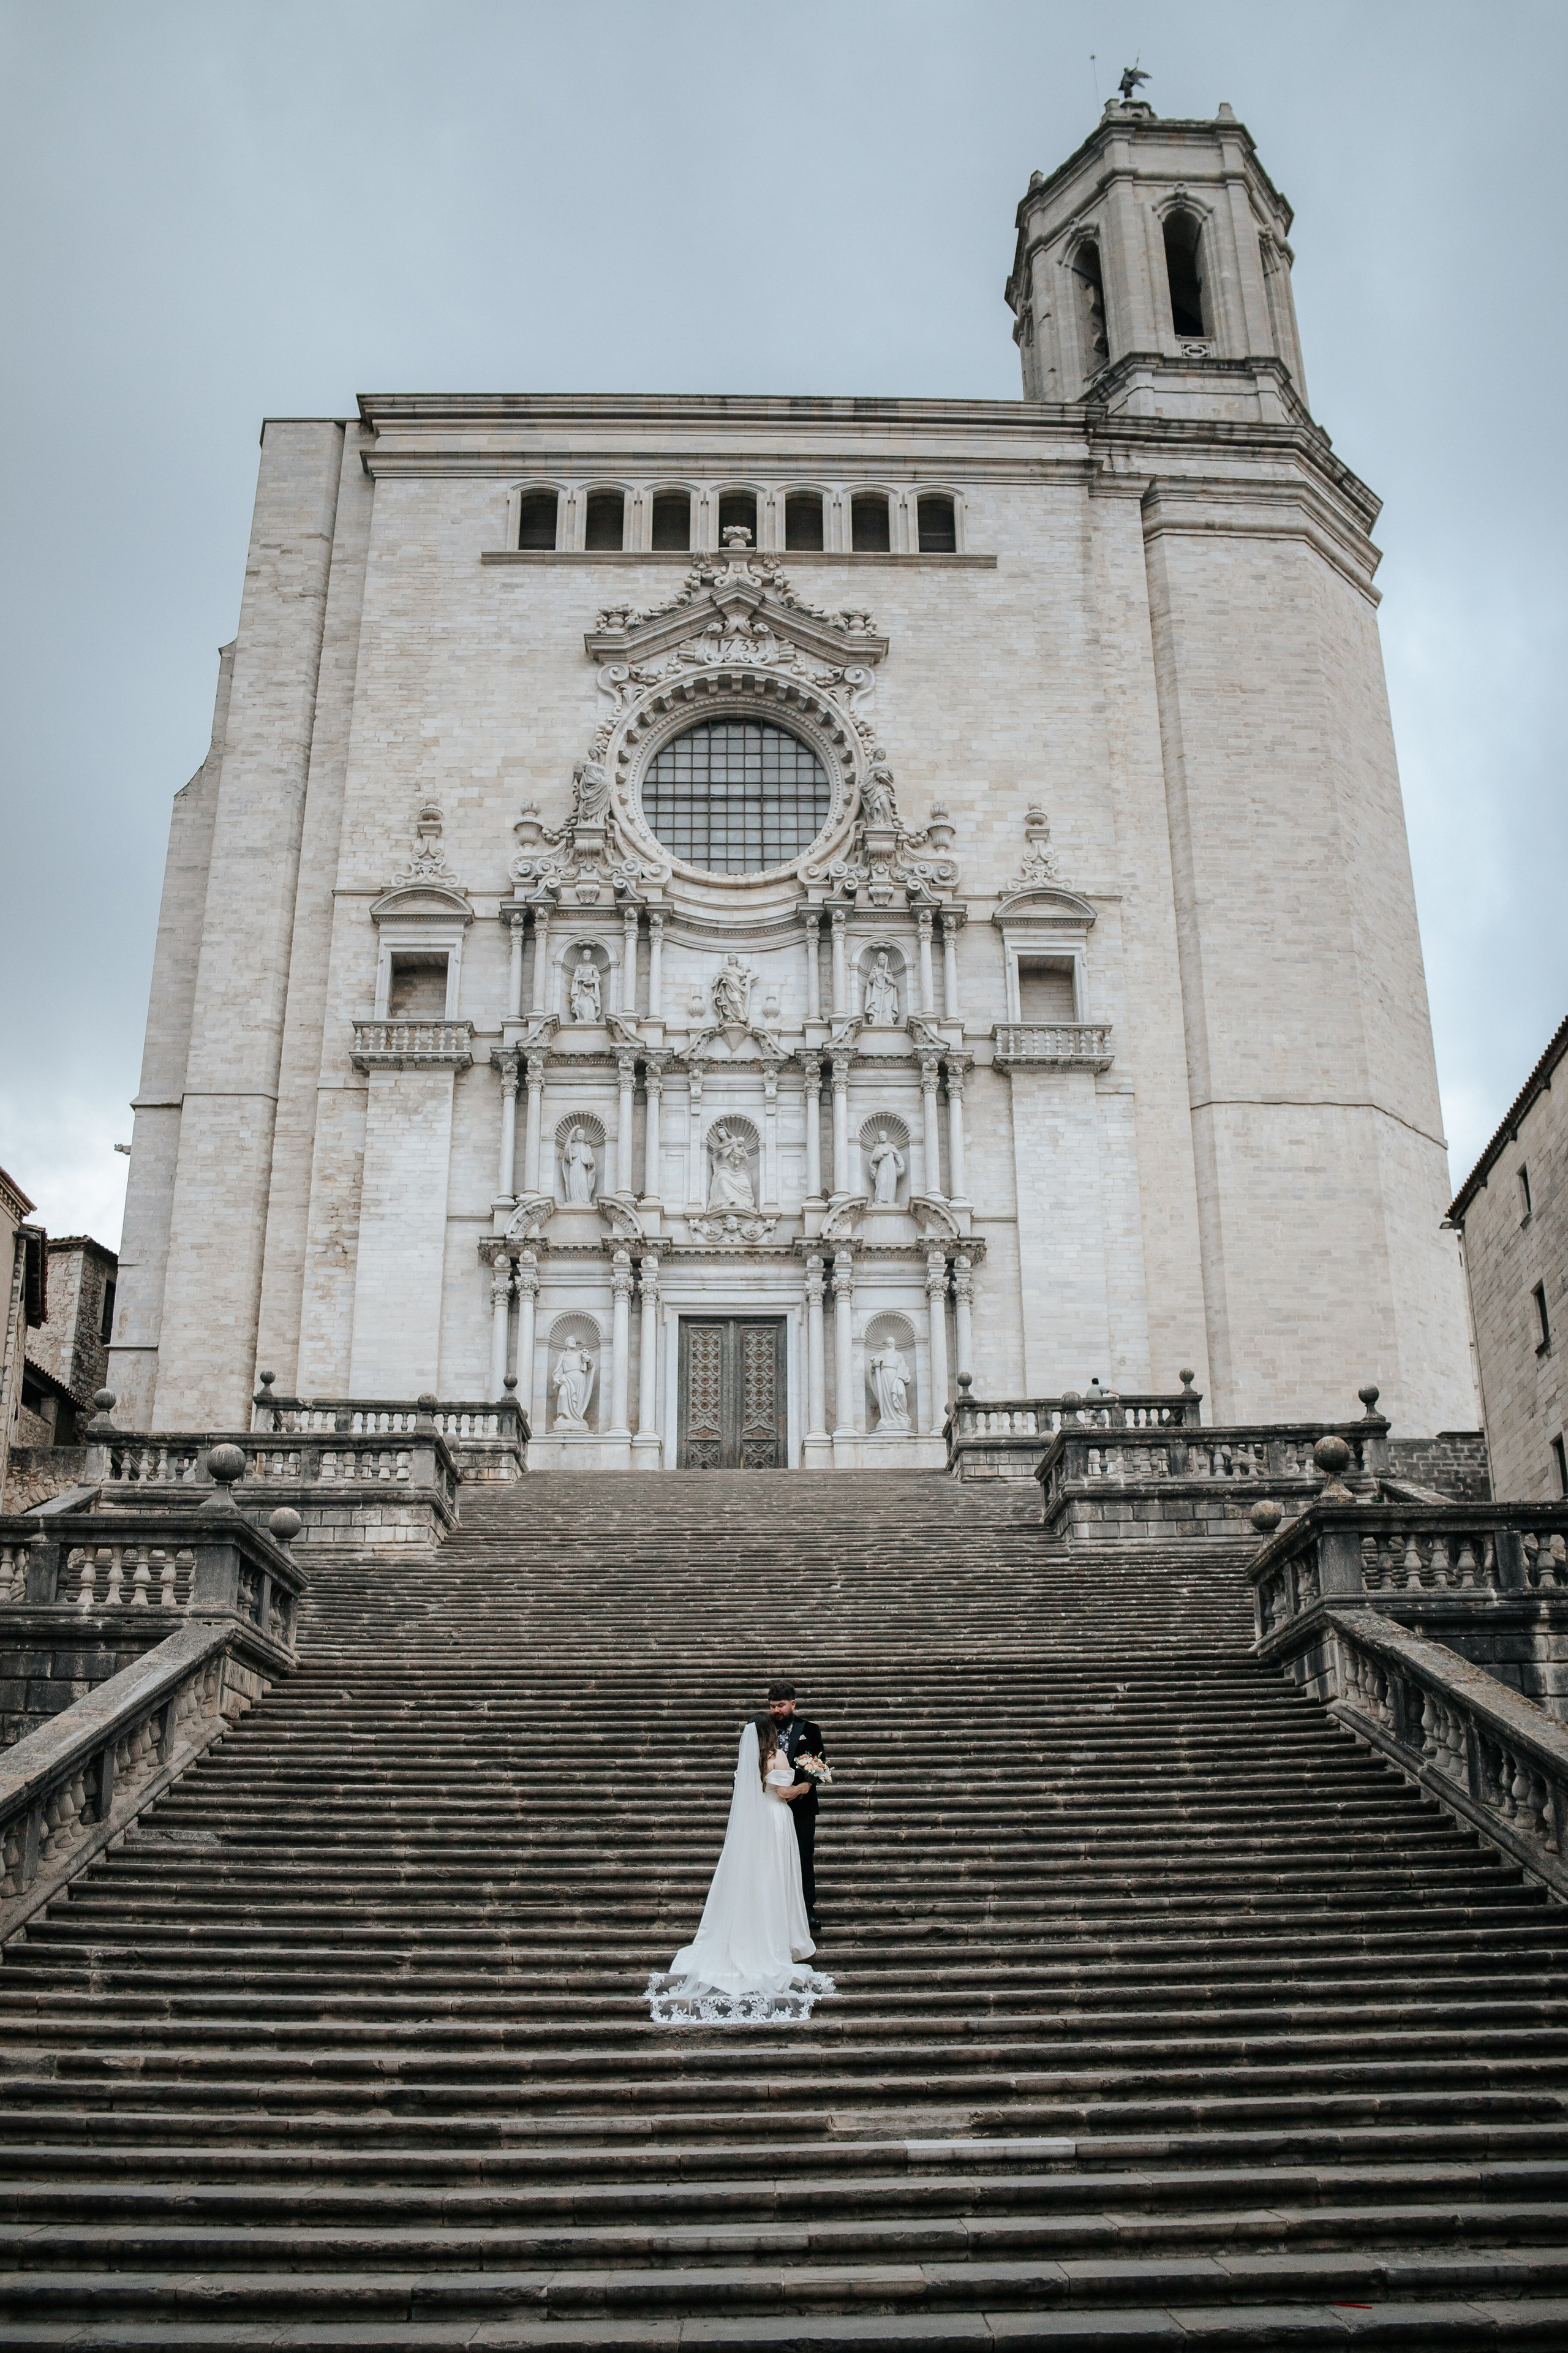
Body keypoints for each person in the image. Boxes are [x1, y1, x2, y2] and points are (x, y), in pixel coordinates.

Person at [647, 1701, 834, 2025]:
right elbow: (782, 1792)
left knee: (755, 1878)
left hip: (754, 1823)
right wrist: (805, 1782)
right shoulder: (777, 1757)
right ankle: (778, 1939)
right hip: (776, 1819)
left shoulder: (751, 1760)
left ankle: (752, 1933)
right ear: (768, 1732)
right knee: (776, 1878)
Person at [766, 1681, 826, 1932]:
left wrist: (800, 1790)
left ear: (793, 1704)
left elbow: (820, 1764)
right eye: (772, 1706)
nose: (776, 1711)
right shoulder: (762, 1729)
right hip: (771, 1805)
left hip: (802, 1807)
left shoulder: (810, 1729)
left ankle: (807, 1910)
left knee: (803, 1856)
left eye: (781, 1705)